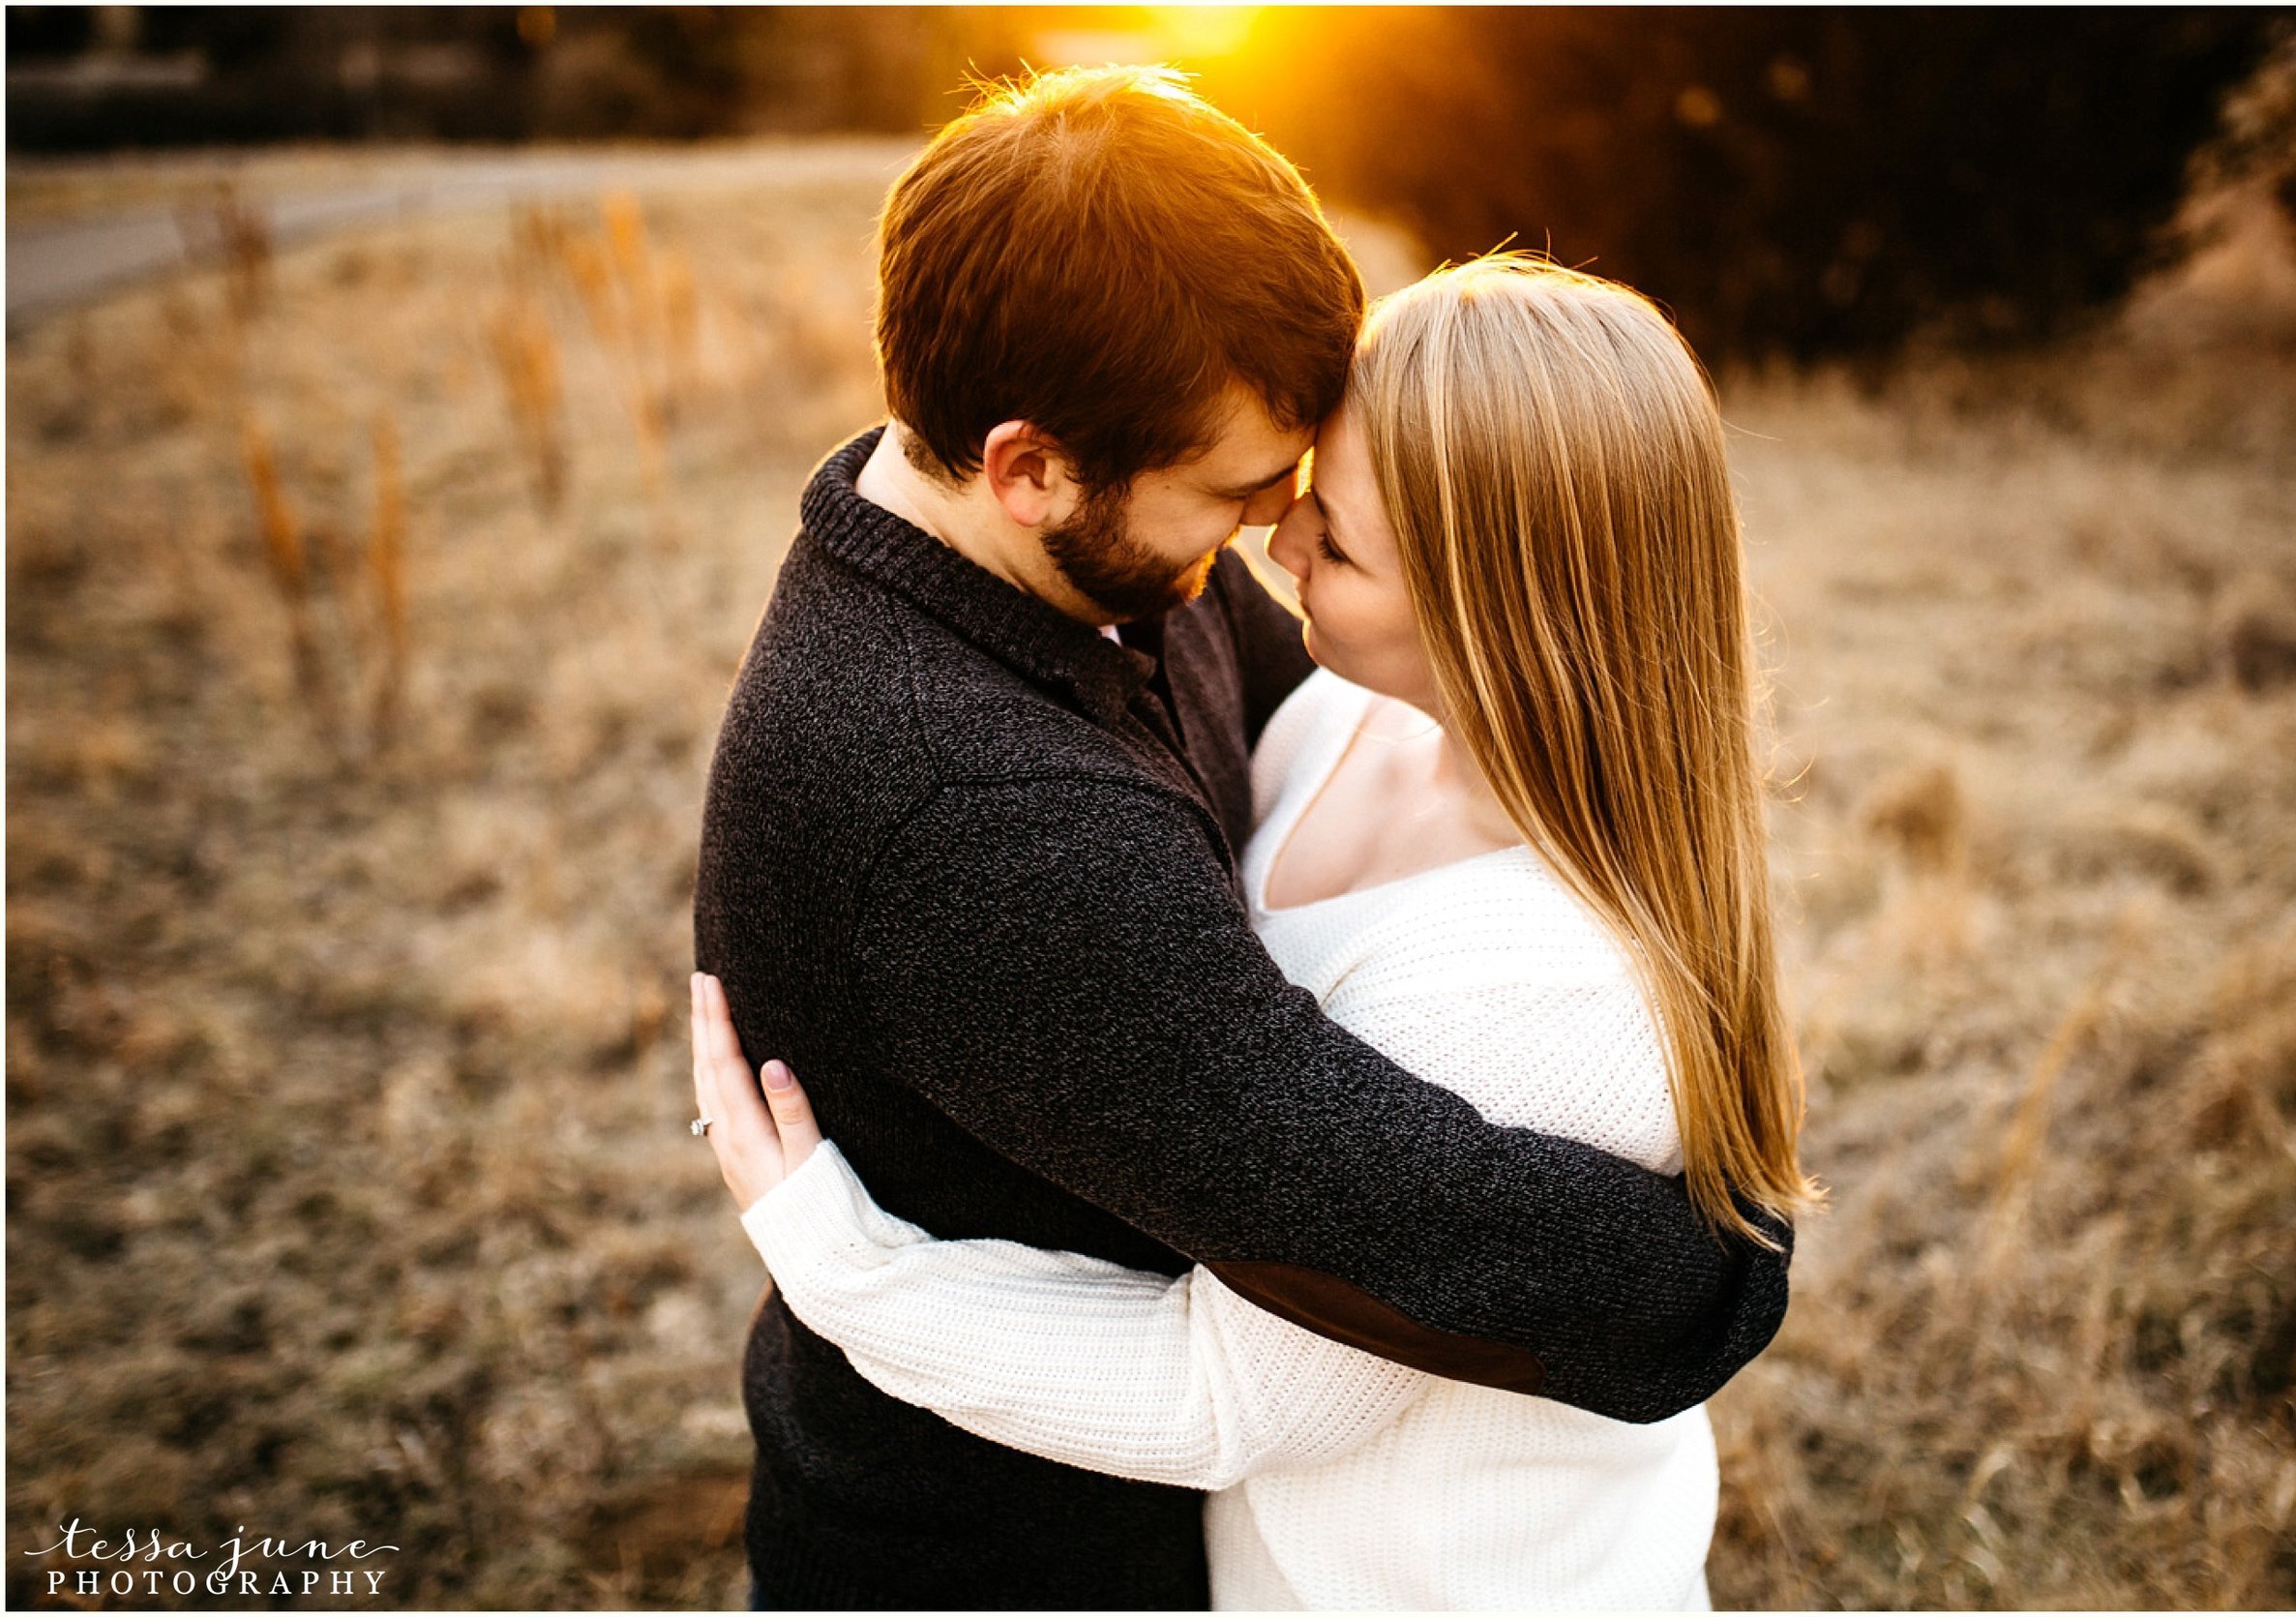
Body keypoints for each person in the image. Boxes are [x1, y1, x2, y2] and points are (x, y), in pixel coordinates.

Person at [690, 65, 1792, 1611]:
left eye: (1316, 515)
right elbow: (1336, 1193)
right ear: (1030, 468)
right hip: (1007, 1556)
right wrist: (1700, 1286)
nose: (1268, 549)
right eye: (1244, 496)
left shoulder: (1097, 577)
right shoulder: (995, 819)